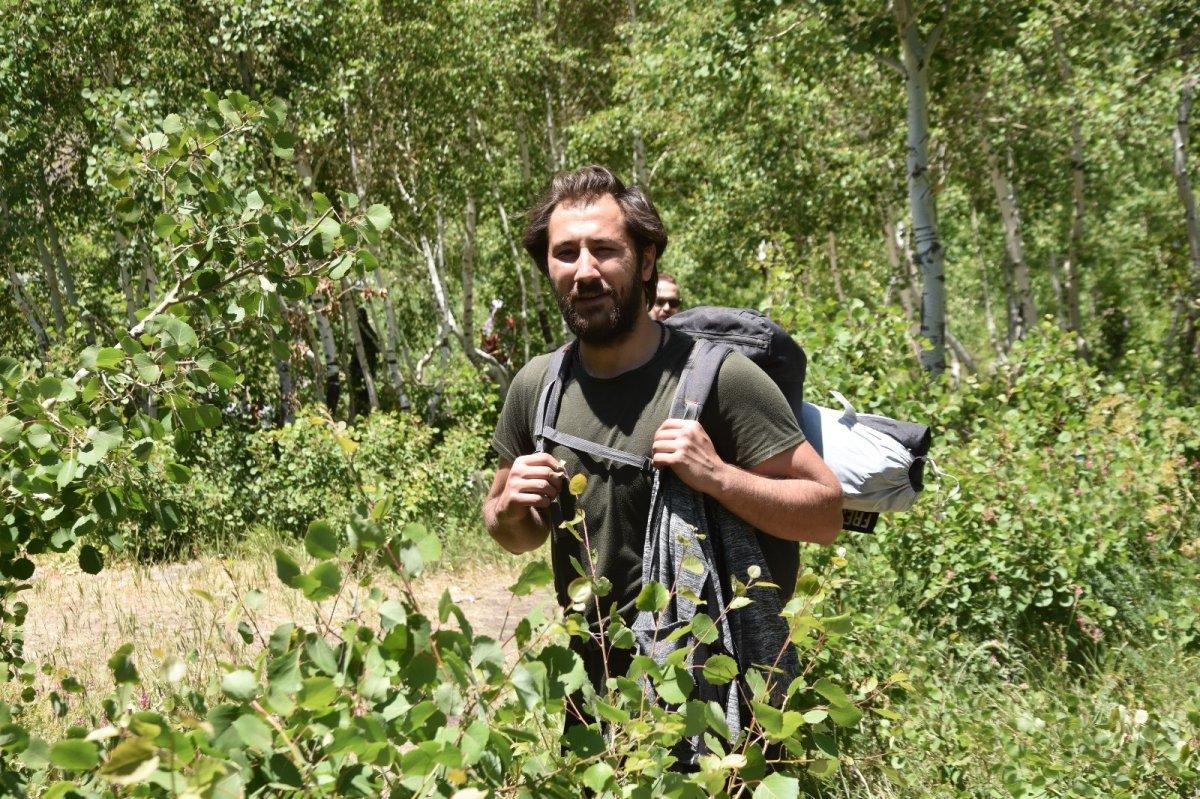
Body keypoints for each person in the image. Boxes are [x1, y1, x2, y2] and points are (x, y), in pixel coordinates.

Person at [483, 165, 842, 703]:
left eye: (605, 250)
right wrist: (511, 509)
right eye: (565, 253)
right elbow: (513, 533)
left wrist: (718, 477)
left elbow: (824, 513)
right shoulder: (538, 386)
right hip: (595, 691)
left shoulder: (721, 379)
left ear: (646, 260)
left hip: (715, 694)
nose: (584, 272)